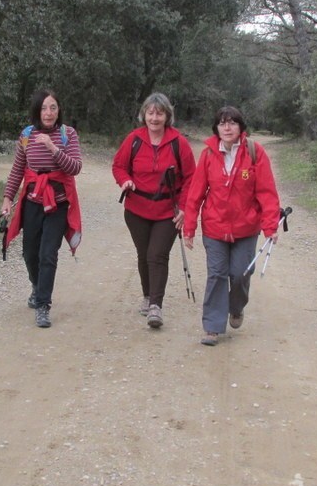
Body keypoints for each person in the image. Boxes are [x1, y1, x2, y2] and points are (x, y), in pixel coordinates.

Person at [182, 105, 281, 346]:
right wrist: (189, 227)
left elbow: (266, 192)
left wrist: (270, 227)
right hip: (214, 227)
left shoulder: (254, 153)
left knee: (240, 273)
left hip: (246, 228)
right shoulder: (208, 155)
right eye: (222, 123)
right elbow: (195, 193)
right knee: (216, 274)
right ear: (216, 128)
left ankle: (236, 307)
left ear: (240, 127)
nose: (227, 127)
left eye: (232, 122)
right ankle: (212, 327)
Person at [112, 92, 196, 329]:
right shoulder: (134, 139)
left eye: (159, 113)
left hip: (167, 211)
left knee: (157, 254)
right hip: (136, 209)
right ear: (144, 115)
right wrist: (125, 181)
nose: (154, 117)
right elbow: (119, 166)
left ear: (167, 116)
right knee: (144, 253)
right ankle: (148, 295)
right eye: (150, 112)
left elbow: (191, 177)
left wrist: (186, 207)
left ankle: (155, 306)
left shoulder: (179, 143)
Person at [1, 89, 82, 328]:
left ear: (59, 111)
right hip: (33, 201)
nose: (49, 113)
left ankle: (43, 305)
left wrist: (53, 148)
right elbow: (18, 170)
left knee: (48, 253)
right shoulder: (26, 135)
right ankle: (37, 286)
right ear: (37, 111)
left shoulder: (68, 134)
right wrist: (7, 197)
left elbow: (75, 167)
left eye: (53, 108)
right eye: (44, 108)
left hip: (58, 203)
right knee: (29, 253)